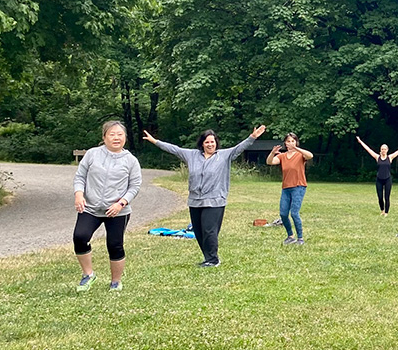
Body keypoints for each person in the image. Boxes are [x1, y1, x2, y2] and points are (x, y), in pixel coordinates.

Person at [144, 124, 266, 266]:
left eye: (212, 142)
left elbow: (240, 147)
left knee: (209, 230)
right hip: (195, 200)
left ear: (216, 143)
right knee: (199, 232)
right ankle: (208, 258)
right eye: (207, 142)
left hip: (215, 200)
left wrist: (253, 137)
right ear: (202, 143)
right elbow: (174, 149)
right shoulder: (192, 155)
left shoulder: (224, 155)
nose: (210, 144)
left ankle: (213, 260)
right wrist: (154, 141)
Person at [73, 121, 142, 292]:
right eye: (112, 134)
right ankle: (88, 275)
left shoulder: (131, 161)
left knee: (114, 244)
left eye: (120, 134)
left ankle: (116, 282)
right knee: (80, 237)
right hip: (91, 207)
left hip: (117, 211)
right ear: (104, 137)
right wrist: (79, 194)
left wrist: (121, 203)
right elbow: (80, 176)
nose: (116, 138)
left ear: (125, 137)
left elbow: (135, 186)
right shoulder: (92, 154)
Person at [266, 133, 314, 245]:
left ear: (296, 142)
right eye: (288, 141)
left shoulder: (300, 155)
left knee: (294, 213)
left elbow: (310, 155)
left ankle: (300, 238)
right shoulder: (282, 156)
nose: (291, 143)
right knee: (283, 214)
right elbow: (270, 162)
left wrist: (296, 148)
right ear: (285, 143)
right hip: (286, 188)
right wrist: (272, 153)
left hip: (298, 186)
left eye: (293, 141)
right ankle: (290, 236)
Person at [356, 135, 398, 216]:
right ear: (380, 150)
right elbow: (368, 149)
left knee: (386, 197)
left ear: (387, 150)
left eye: (385, 149)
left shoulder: (390, 157)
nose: (383, 150)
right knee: (380, 197)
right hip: (379, 180)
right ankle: (382, 210)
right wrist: (360, 141)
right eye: (382, 149)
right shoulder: (377, 157)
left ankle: (386, 212)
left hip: (387, 179)